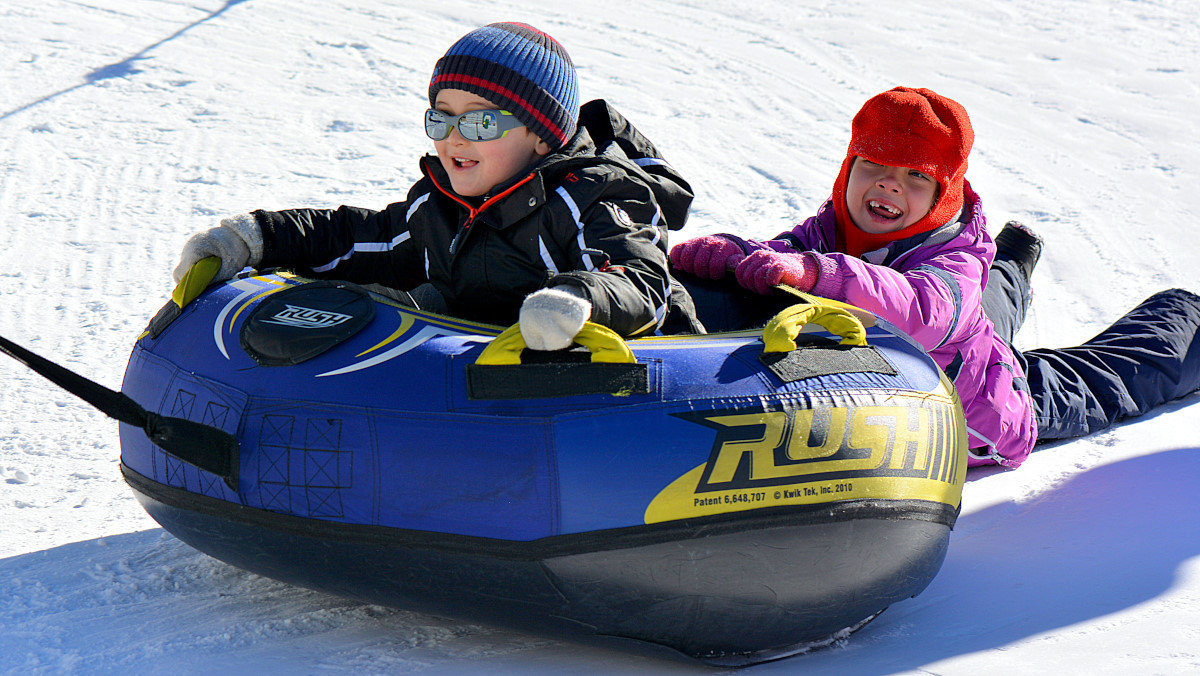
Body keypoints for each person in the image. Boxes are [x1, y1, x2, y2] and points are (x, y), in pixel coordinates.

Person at [670, 86, 1200, 468]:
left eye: (915, 177)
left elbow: (927, 310)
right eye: (874, 164)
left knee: (1112, 374)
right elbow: (783, 258)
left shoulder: (952, 255)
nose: (889, 185)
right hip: (954, 349)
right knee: (989, 309)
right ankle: (1013, 261)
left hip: (987, 408)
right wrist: (736, 255)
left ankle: (1188, 316)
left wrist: (815, 272)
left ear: (943, 195)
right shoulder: (829, 229)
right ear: (847, 171)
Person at [173, 22, 702, 351]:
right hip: (506, 379)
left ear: (542, 138)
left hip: (642, 381)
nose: (454, 138)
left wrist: (572, 299)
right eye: (442, 117)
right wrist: (255, 238)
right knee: (403, 302)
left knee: (433, 305)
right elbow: (359, 238)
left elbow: (640, 280)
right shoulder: (439, 205)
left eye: (480, 121)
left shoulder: (594, 195)